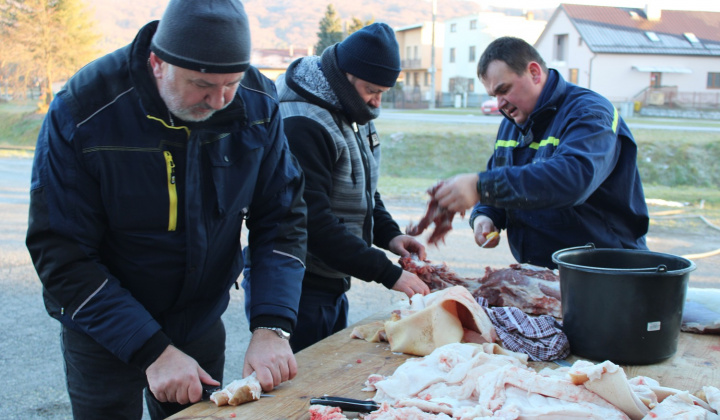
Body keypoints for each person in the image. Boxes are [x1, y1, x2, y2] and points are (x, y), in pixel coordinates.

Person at [25, 0, 307, 418]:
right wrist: (151, 349)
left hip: (198, 320)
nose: (219, 101)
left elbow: (282, 219)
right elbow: (61, 251)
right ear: (157, 63)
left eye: (231, 83)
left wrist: (272, 325)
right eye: (201, 85)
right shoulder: (84, 109)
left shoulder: (257, 103)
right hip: (104, 328)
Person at [266, 22, 430, 353]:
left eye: (384, 92)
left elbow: (361, 187)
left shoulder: (348, 108)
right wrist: (388, 273)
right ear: (344, 76)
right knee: (304, 389)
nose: (376, 101)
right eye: (371, 89)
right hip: (296, 284)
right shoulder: (303, 122)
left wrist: (389, 235)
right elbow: (313, 220)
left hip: (330, 279)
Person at [432, 36, 649, 269]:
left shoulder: (591, 113)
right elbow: (502, 178)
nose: (500, 104)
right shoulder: (511, 123)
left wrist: (480, 186)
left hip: (603, 271)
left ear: (534, 73)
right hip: (542, 272)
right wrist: (486, 215)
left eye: (504, 90)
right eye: (494, 96)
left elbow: (572, 178)